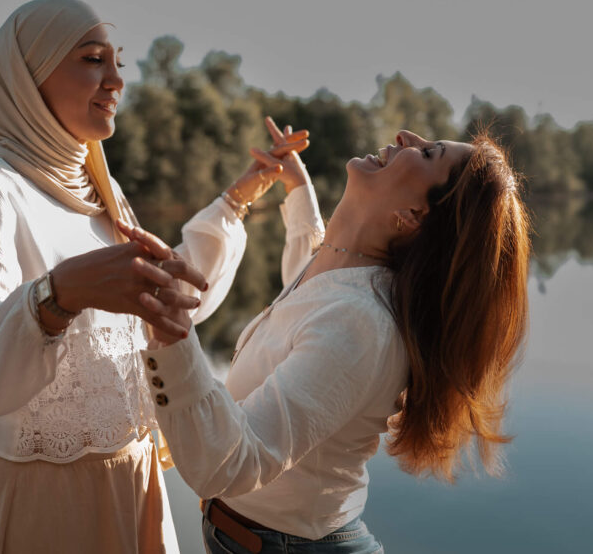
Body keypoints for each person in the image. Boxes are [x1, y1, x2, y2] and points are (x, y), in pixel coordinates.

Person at [0, 0, 308, 554]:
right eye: (91, 59)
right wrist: (55, 297)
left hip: (136, 489)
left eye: (118, 62)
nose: (116, 81)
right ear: (27, 78)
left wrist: (240, 196)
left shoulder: (98, 192)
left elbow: (169, 298)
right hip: (42, 508)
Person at [119, 127, 531, 553]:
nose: (407, 135)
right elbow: (311, 294)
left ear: (413, 214)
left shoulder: (360, 322)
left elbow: (233, 463)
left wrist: (171, 333)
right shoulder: (343, 272)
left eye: (429, 153)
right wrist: (296, 187)